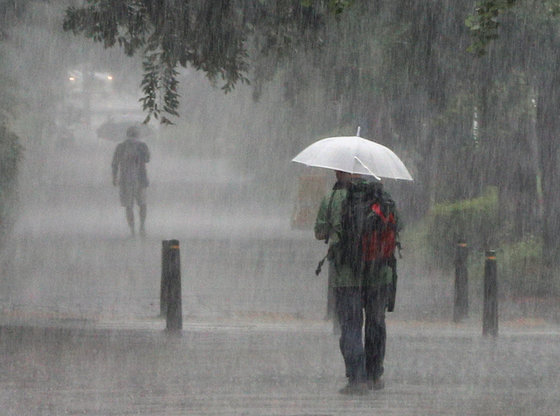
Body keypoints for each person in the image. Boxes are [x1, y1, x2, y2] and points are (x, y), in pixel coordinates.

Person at [314, 170, 399, 395]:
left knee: (351, 326)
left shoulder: (333, 198)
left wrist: (336, 230)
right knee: (375, 323)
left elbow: (319, 231)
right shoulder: (382, 197)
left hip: (346, 275)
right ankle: (374, 375)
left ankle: (357, 379)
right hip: (378, 273)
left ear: (341, 173)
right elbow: (398, 227)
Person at [111, 126, 150, 237]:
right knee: (142, 204)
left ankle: (133, 229)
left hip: (125, 180)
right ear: (138, 135)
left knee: (129, 206)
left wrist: (114, 177)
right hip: (140, 179)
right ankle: (141, 226)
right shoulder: (142, 146)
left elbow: (114, 163)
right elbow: (147, 159)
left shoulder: (121, 147)